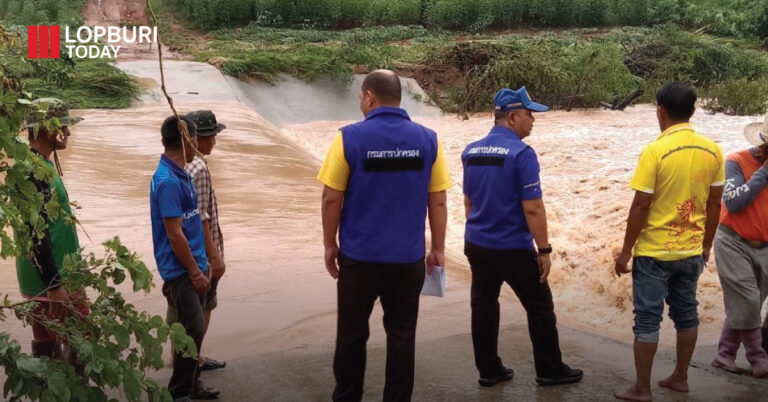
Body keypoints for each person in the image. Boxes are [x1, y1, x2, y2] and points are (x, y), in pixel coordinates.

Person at [317, 69, 451, 402]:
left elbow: (331, 197)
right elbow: (438, 198)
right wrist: (438, 248)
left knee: (351, 334)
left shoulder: (348, 138)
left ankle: (347, 396)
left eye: (360, 97)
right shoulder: (428, 139)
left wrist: (329, 244)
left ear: (369, 97)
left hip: (359, 259)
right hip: (407, 260)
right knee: (402, 335)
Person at [461, 87, 583, 388]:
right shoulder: (522, 154)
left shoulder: (471, 150)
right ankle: (550, 369)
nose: (533, 120)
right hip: (512, 246)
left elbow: (468, 202)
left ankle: (488, 370)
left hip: (477, 242)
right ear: (513, 117)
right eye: (530, 114)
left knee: (484, 306)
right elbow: (532, 208)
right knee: (540, 306)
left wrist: (482, 229)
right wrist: (544, 249)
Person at [614, 82, 724, 401]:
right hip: (691, 249)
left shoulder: (655, 150)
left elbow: (641, 205)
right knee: (687, 314)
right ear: (692, 111)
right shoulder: (713, 149)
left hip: (653, 253)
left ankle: (642, 388)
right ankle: (680, 377)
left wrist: (625, 251)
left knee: (648, 319)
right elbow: (715, 204)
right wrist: (706, 244)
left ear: (660, 111)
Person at [150, 115, 218, 401]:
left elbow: (193, 221)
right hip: (181, 271)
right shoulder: (167, 181)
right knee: (192, 329)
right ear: (185, 140)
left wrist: (206, 262)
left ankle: (192, 384)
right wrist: (194, 271)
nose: (197, 143)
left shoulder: (181, 173)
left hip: (196, 265)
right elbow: (175, 234)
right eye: (193, 137)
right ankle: (179, 393)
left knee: (194, 328)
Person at [15, 98, 87, 369]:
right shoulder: (35, 172)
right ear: (46, 128)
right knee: (79, 344)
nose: (68, 133)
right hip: (53, 282)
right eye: (64, 126)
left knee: (47, 348)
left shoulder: (33, 165)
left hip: (39, 281)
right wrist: (55, 285)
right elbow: (36, 233)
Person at [711, 116, 768, 378]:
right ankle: (758, 359)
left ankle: (724, 355)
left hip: (764, 244)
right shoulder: (735, 161)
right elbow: (733, 203)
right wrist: (764, 173)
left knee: (748, 304)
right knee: (747, 299)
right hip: (733, 241)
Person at [182, 111, 227, 379]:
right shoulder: (197, 167)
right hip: (202, 256)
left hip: (192, 254)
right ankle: (191, 368)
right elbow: (199, 216)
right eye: (211, 136)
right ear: (198, 139)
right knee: (200, 311)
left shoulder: (184, 165)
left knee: (196, 310)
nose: (214, 142)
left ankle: (191, 359)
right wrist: (215, 256)